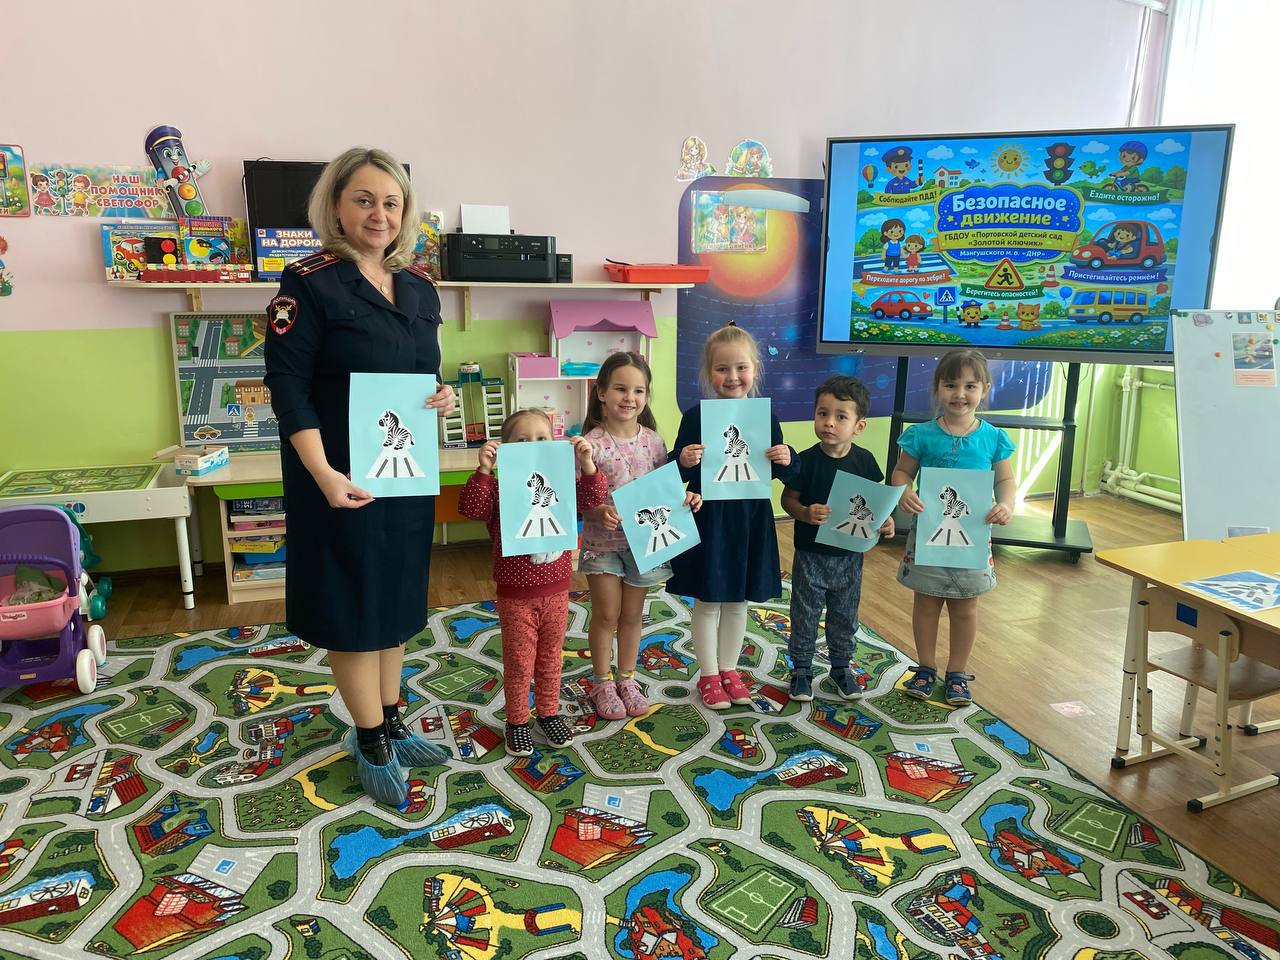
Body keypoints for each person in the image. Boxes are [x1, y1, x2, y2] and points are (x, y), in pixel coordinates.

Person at [264, 146, 455, 806]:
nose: (379, 214)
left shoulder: (421, 287)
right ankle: (370, 739)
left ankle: (393, 722)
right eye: (364, 200)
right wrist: (322, 473)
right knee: (351, 602)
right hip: (338, 475)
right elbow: (288, 387)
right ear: (336, 207)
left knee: (395, 597)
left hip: (402, 470)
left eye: (391, 203)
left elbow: (422, 372)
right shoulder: (308, 283)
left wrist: (441, 395)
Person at [459, 409, 607, 756]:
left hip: (557, 590)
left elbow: (592, 498)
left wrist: (587, 463)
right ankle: (516, 721)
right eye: (522, 440)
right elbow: (471, 508)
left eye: (542, 439)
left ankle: (548, 713)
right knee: (519, 661)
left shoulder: (561, 485)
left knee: (551, 657)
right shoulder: (499, 489)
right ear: (505, 447)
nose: (533, 445)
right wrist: (484, 470)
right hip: (516, 595)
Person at [668, 324, 798, 710]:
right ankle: (708, 674)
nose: (732, 376)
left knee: (739, 600)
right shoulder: (695, 417)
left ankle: (729, 669)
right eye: (722, 368)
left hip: (750, 520)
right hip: (710, 520)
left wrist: (787, 457)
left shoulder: (766, 417)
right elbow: (676, 471)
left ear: (755, 369)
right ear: (709, 373)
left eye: (741, 367)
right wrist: (683, 459)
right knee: (709, 600)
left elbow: (784, 472)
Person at [579, 352, 701, 721]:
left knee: (633, 616)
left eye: (638, 390)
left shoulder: (655, 442)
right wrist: (596, 512)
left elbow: (663, 491)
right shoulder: (589, 445)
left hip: (644, 546)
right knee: (606, 615)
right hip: (603, 545)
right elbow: (575, 499)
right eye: (620, 389)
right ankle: (602, 682)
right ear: (601, 392)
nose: (629, 397)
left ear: (646, 396)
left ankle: (627, 679)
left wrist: (686, 499)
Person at [889, 349, 1015, 706]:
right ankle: (926, 668)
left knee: (965, 607)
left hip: (972, 539)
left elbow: (1005, 480)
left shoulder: (993, 438)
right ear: (937, 388)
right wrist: (904, 491)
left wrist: (1007, 504)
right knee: (926, 603)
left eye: (970, 386)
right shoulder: (921, 435)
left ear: (985, 389)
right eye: (950, 385)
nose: (960, 393)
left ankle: (957, 673)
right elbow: (902, 472)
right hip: (929, 536)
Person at [781, 375, 893, 702]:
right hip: (810, 554)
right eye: (822, 413)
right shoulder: (804, 460)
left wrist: (885, 522)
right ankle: (801, 669)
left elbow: (875, 503)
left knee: (845, 613)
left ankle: (841, 667)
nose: (829, 422)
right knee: (805, 613)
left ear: (859, 426)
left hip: (849, 555)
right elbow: (788, 500)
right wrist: (804, 513)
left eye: (841, 416)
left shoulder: (865, 461)